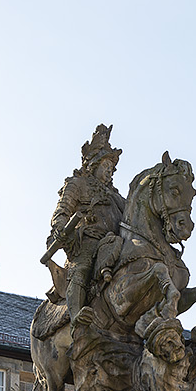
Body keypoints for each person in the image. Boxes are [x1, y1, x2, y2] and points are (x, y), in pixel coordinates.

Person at [44, 124, 125, 323]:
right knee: (81, 269)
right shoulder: (77, 184)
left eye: (112, 169)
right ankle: (77, 315)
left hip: (115, 242)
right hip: (88, 241)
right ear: (94, 165)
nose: (110, 172)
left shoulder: (117, 197)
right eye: (106, 166)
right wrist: (60, 228)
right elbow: (62, 210)